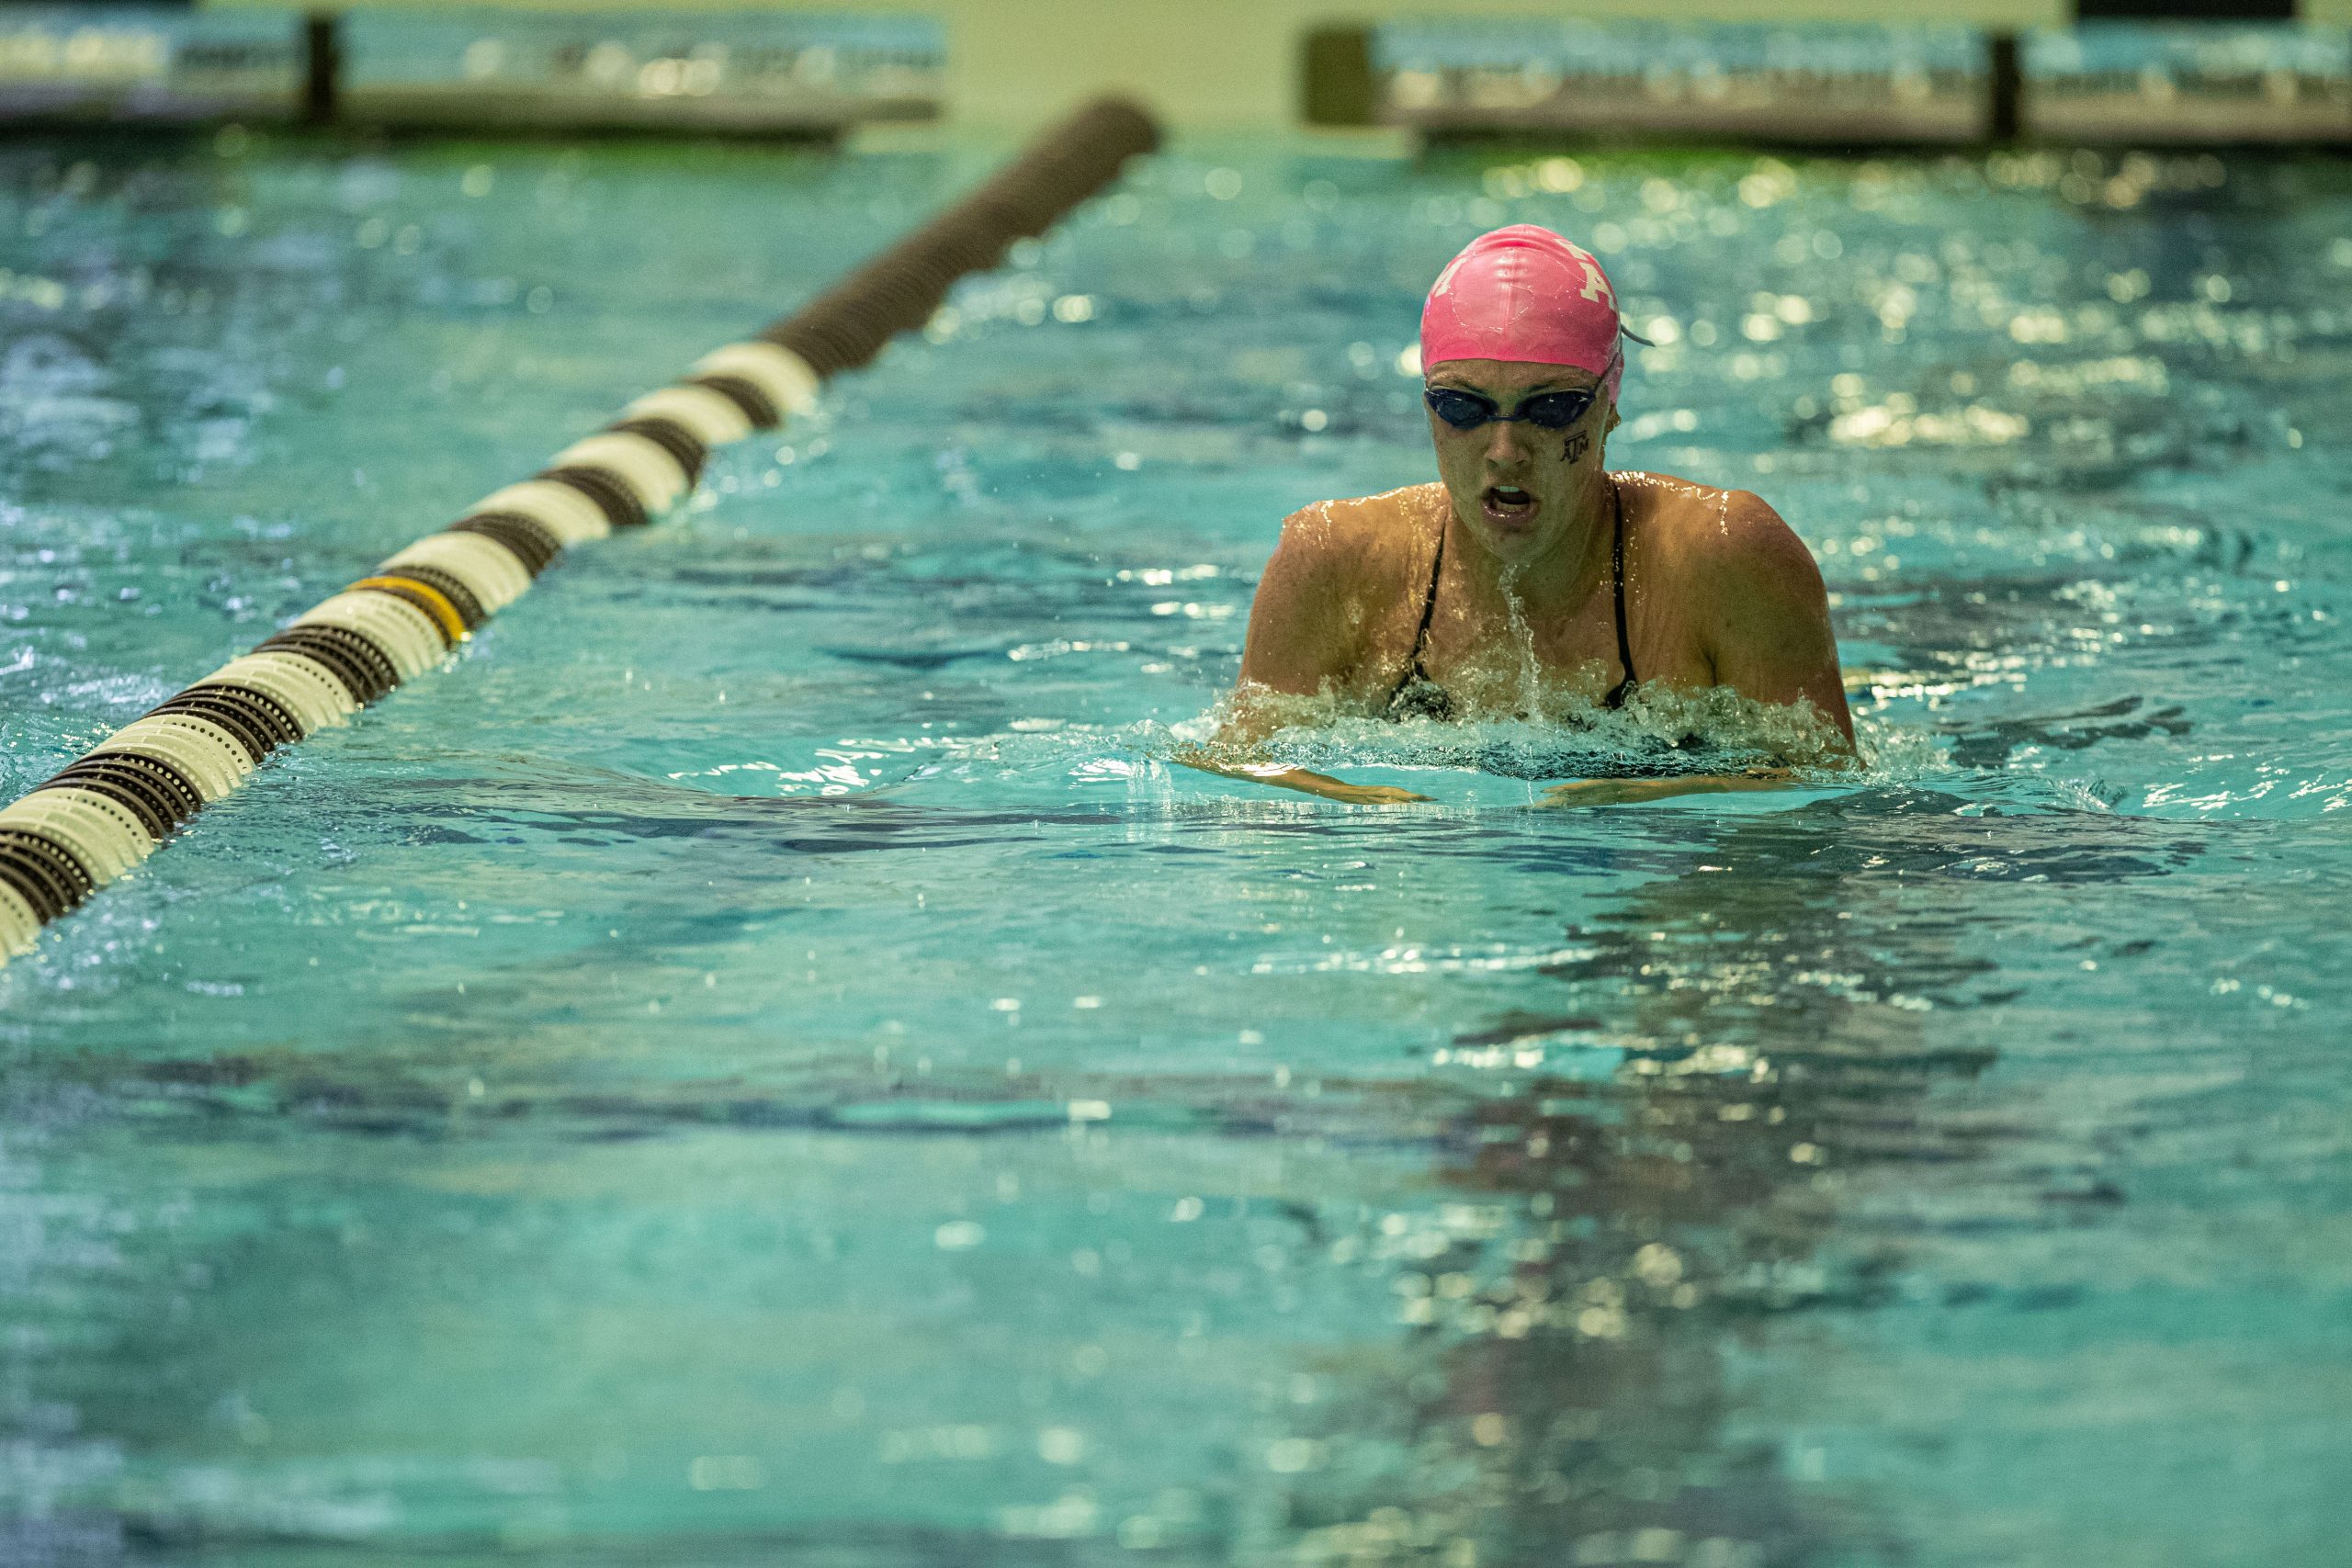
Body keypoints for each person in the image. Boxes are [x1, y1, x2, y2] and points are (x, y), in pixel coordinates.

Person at [1190, 224, 1854, 807]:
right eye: (1464, 408)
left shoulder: (1723, 556)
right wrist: (1368, 807)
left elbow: (1829, 788)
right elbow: (1229, 772)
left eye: (1551, 408)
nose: (1505, 452)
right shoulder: (1333, 561)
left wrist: (1650, 801)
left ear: (1609, 405)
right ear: (1427, 410)